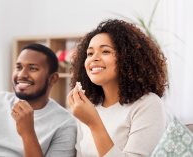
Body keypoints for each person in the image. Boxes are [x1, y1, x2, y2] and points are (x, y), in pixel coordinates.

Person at [67, 19, 168, 157]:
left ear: (128, 58)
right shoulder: (88, 105)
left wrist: (94, 123)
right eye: (90, 53)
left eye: (105, 51)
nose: (93, 58)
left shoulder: (148, 104)